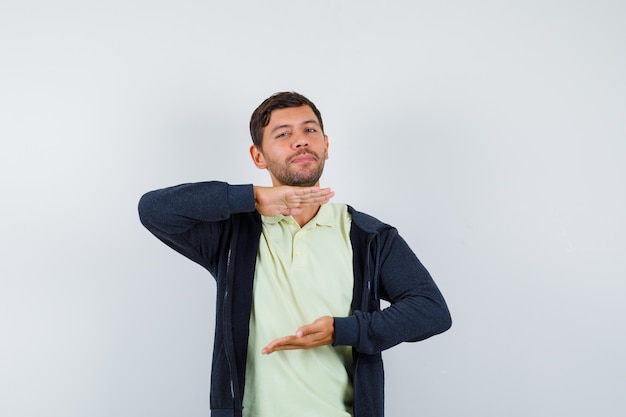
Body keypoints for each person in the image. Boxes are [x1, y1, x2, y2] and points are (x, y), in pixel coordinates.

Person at [138, 92, 451, 417]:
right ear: (258, 156)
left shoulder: (367, 236)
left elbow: (431, 312)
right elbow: (153, 209)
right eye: (283, 134)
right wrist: (253, 197)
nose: (300, 141)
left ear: (326, 145)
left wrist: (344, 330)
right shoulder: (232, 235)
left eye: (310, 130)